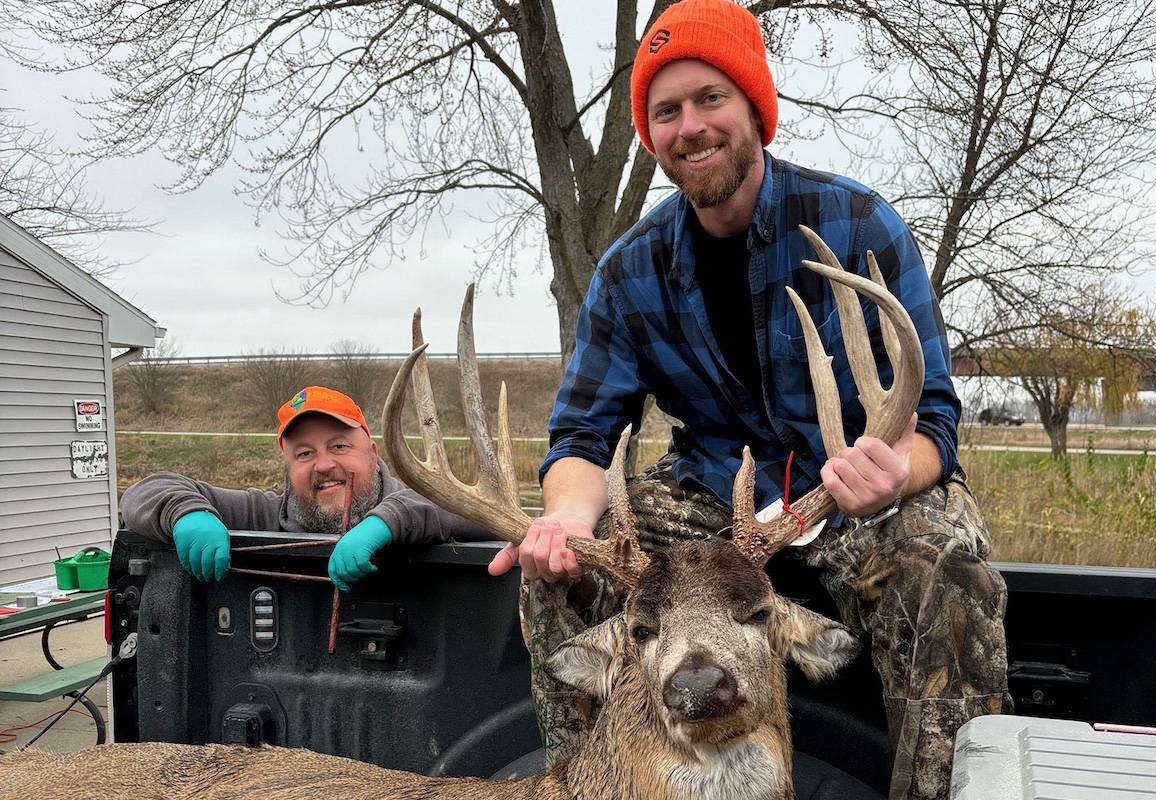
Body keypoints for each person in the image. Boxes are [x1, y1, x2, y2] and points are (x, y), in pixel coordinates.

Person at [485, 2, 1010, 799]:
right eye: (667, 111)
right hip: (708, 497)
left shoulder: (856, 223)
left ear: (755, 108)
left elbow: (934, 419)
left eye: (711, 99)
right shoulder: (630, 270)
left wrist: (893, 474)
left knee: (943, 569)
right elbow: (585, 439)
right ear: (651, 133)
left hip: (844, 495)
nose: (690, 126)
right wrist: (562, 518)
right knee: (556, 572)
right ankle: (591, 787)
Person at [120, 385, 493, 591]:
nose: (324, 464)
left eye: (339, 446)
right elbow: (145, 491)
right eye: (304, 453)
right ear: (287, 468)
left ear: (373, 453)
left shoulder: (414, 504)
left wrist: (387, 523)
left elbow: (484, 511)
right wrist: (187, 512)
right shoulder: (263, 515)